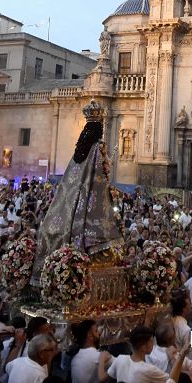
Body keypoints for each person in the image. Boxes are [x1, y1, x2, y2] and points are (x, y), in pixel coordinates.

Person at [36, 101, 123, 268]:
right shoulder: (98, 148)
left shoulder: (78, 150)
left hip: (71, 199)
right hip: (91, 200)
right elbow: (99, 177)